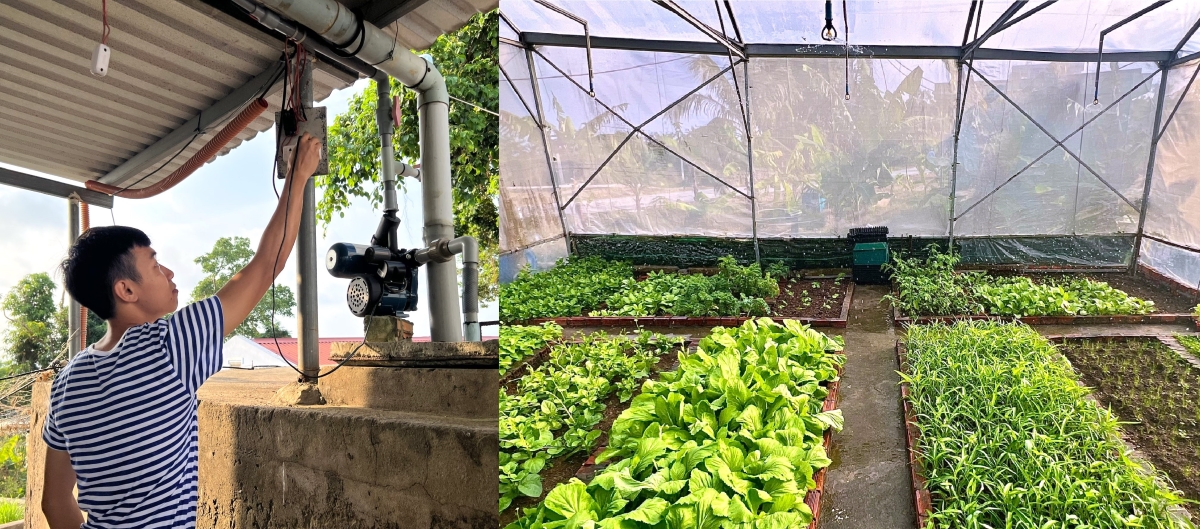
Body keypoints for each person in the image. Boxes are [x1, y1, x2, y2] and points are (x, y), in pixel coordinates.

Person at [40, 134, 322, 528]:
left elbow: (54, 503)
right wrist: (298, 176)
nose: (169, 273)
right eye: (155, 265)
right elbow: (264, 267)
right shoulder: (169, 346)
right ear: (126, 290)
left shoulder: (67, 383)